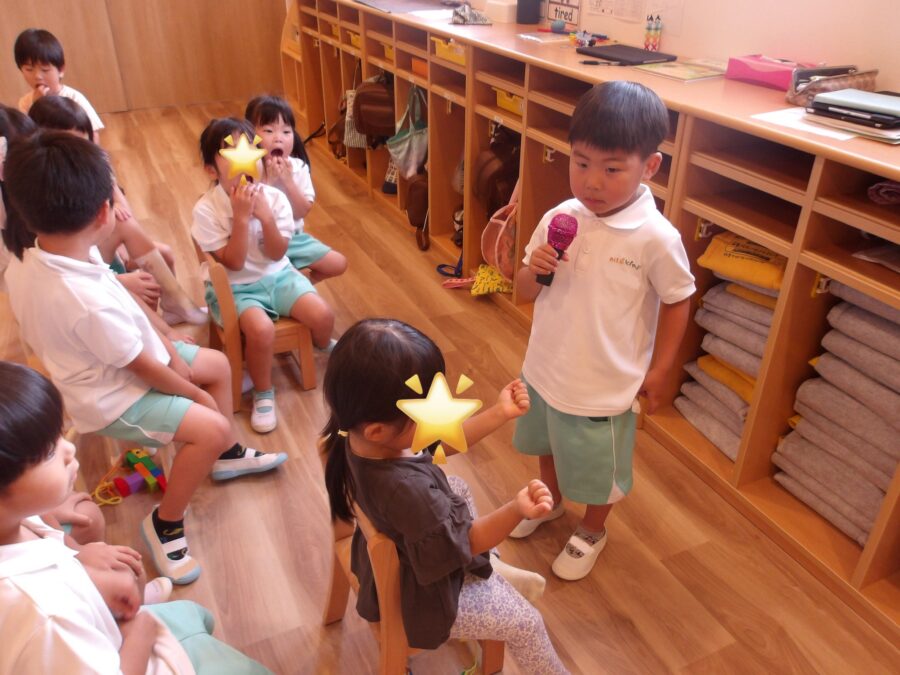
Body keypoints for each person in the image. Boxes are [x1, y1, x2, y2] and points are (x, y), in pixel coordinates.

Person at [3, 131, 288, 584]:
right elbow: (142, 367)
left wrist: (170, 340)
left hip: (126, 361)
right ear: (104, 213)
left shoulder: (45, 255)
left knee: (218, 367)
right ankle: (165, 523)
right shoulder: (83, 300)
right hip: (113, 398)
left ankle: (223, 455)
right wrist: (192, 390)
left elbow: (128, 308)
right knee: (212, 422)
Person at [511, 81, 696, 580]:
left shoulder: (656, 237)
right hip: (544, 368)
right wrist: (534, 269)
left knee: (597, 469)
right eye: (581, 163)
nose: (592, 181)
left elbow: (678, 299)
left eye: (612, 169)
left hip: (604, 385)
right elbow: (523, 291)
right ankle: (550, 502)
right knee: (546, 445)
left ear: (649, 167)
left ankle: (593, 529)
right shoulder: (558, 217)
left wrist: (660, 370)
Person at [322, 318, 569, 674]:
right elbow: (468, 541)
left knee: (458, 487)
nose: (437, 417)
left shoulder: (357, 431)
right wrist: (516, 509)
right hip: (422, 597)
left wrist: (500, 413)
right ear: (378, 429)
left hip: (404, 546)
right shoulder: (408, 492)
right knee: (526, 622)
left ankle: (493, 572)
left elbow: (443, 441)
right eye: (425, 413)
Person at [0, 362, 273, 675]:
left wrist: (79, 559)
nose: (69, 449)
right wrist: (140, 630)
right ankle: (163, 532)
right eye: (49, 451)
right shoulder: (44, 617)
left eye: (60, 435)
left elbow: (39, 536)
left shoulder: (13, 522)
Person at [192, 117, 335, 433]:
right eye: (232, 154)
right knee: (261, 331)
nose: (246, 160)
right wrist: (241, 220)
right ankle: (263, 391)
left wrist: (267, 219)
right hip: (236, 287)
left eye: (252, 150)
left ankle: (322, 345)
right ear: (212, 171)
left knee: (323, 316)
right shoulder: (207, 209)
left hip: (278, 275)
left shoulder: (275, 199)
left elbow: (277, 252)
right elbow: (233, 263)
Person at [27, 94, 206, 325]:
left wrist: (119, 234)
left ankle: (173, 308)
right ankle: (160, 322)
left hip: (99, 251)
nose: (80, 153)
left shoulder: (91, 165)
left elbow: (124, 211)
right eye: (69, 146)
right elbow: (67, 270)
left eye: (83, 142)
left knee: (161, 251)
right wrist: (117, 280)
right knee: (144, 277)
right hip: (83, 271)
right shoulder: (41, 192)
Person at [245, 95, 347, 282]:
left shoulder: (298, 168)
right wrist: (268, 182)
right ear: (250, 135)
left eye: (286, 131)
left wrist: (288, 181)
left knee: (338, 263)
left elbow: (301, 212)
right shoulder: (247, 169)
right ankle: (290, 283)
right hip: (257, 242)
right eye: (268, 130)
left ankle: (298, 283)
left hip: (293, 239)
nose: (278, 138)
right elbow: (248, 211)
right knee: (278, 277)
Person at [14, 28, 104, 142]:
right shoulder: (25, 103)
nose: (37, 76)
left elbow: (93, 133)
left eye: (45, 70)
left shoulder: (74, 98)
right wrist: (36, 105)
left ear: (61, 70)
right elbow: (26, 137)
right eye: (29, 69)